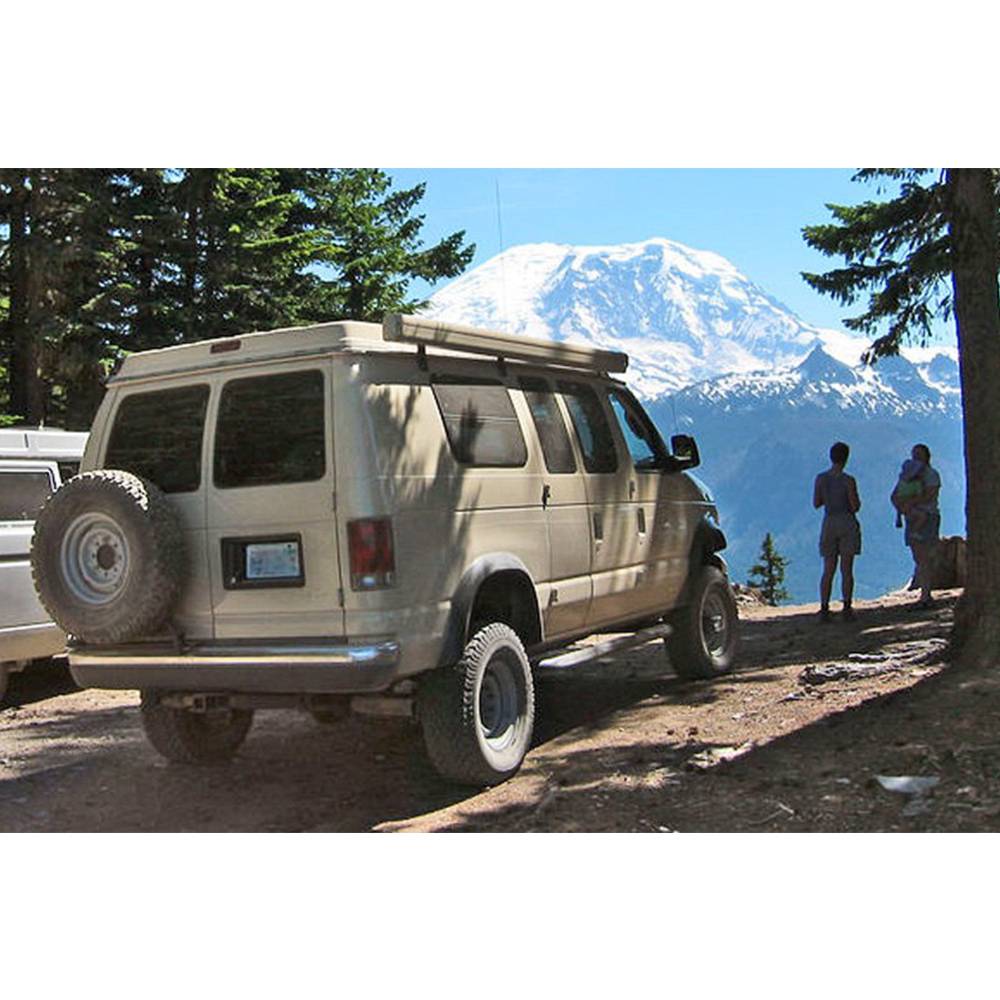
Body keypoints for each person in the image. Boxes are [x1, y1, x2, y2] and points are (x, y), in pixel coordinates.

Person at [813, 441, 862, 622]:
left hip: (829, 522)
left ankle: (824, 608)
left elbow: (816, 503)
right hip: (846, 521)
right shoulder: (848, 480)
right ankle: (847, 608)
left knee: (828, 568)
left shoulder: (821, 478)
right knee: (846, 568)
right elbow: (855, 506)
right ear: (846, 458)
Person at [896, 443, 941, 609]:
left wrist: (907, 504)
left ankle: (926, 594)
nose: (915, 458)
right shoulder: (908, 475)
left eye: (918, 455)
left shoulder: (931, 474)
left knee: (925, 557)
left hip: (927, 517)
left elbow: (931, 495)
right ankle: (925, 593)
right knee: (919, 557)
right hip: (913, 518)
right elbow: (895, 495)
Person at [891, 456, 928, 532]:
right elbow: (920, 495)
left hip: (907, 504)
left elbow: (919, 495)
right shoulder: (911, 483)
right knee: (922, 516)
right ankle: (914, 531)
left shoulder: (909, 482)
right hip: (906, 504)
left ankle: (913, 530)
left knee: (920, 516)